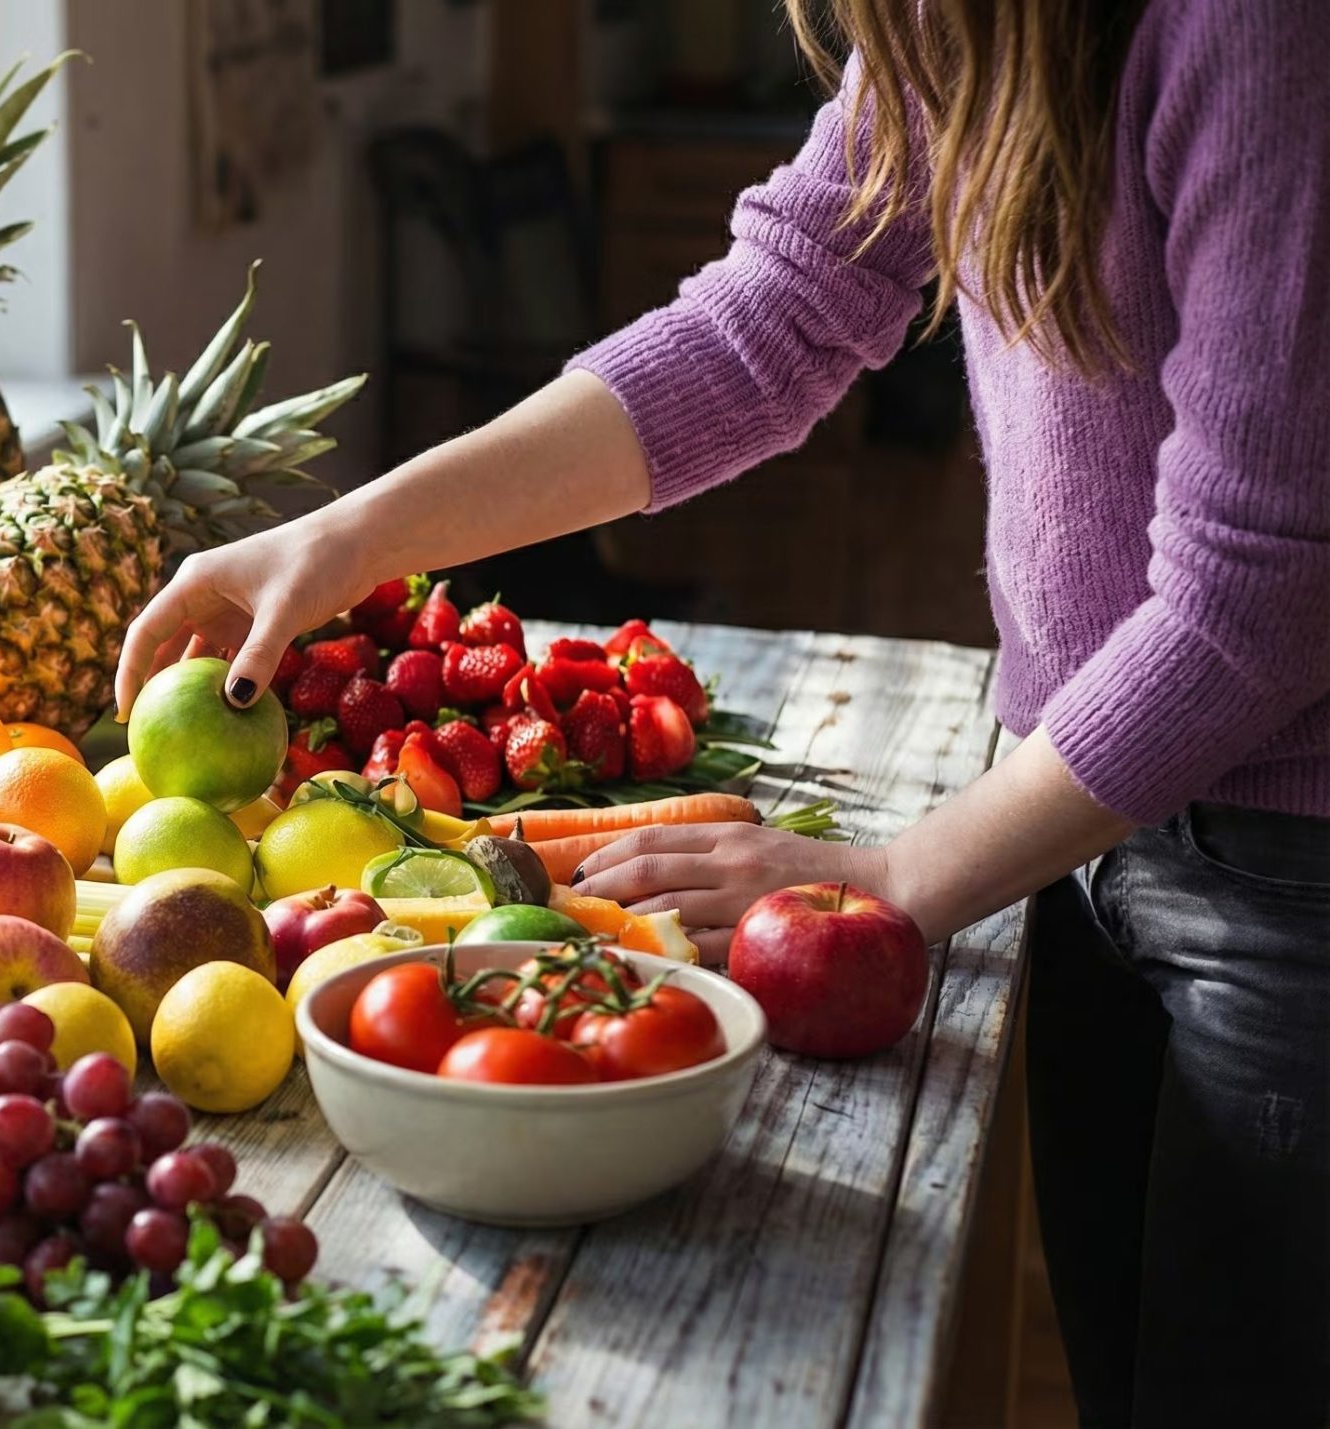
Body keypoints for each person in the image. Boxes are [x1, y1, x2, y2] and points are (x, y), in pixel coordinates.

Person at [113, 0, 1329, 1422]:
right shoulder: (980, 19)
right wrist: (349, 539)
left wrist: (892, 877)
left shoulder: (1261, 31)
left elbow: (1261, 596)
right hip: (1087, 812)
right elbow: (776, 312)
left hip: (1292, 881)